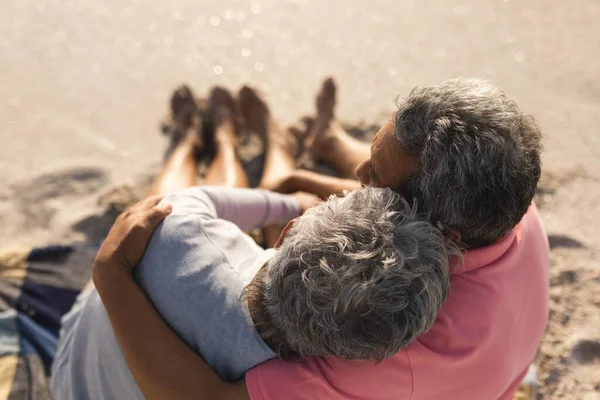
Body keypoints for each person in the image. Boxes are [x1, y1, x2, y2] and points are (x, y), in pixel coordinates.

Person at [85, 77, 549, 400]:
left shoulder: (388, 339)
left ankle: (218, 141)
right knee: (298, 190)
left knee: (227, 209)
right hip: (495, 374)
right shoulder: (507, 201)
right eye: (372, 152)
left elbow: (206, 397)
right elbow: (410, 201)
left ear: (444, 233)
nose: (356, 177)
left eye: (374, 178)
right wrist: (303, 184)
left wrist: (109, 275)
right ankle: (313, 141)